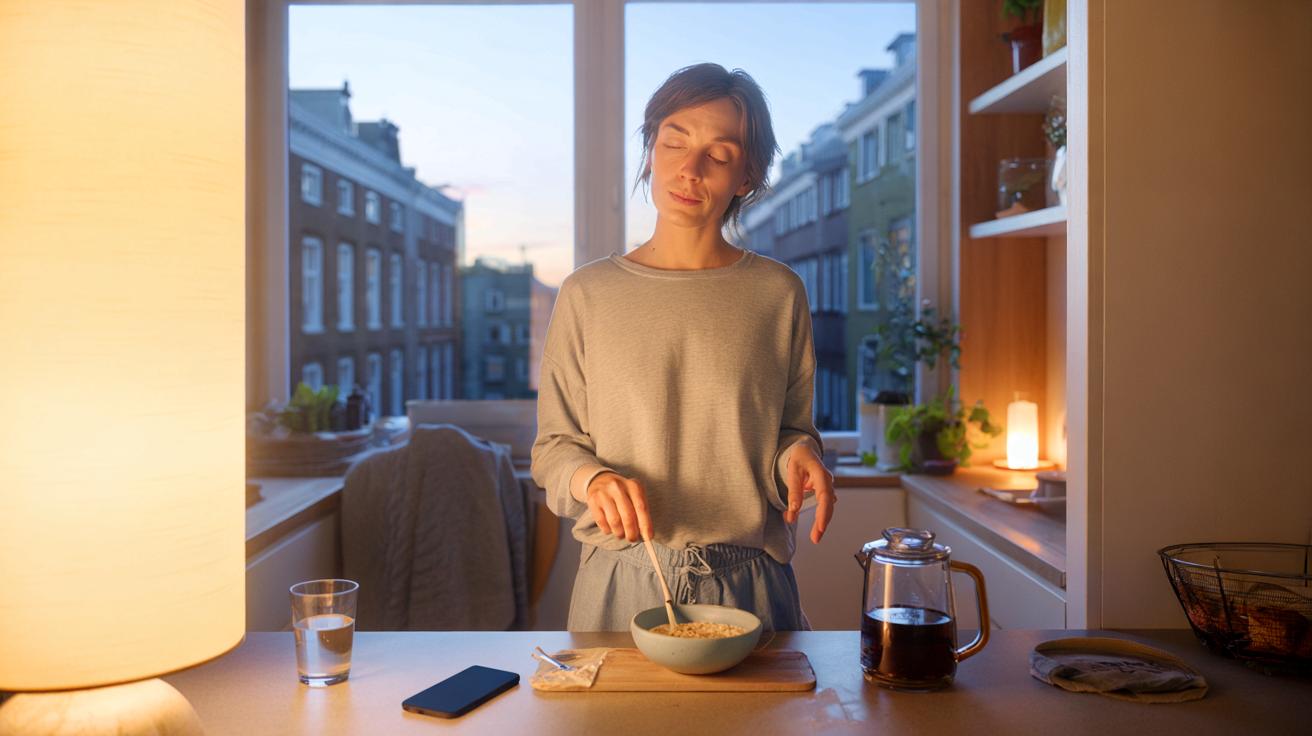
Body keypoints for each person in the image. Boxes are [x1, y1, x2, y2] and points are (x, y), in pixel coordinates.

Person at [530, 63, 835, 632]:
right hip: (621, 581)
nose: (689, 169)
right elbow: (553, 449)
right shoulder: (587, 293)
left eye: (718, 155)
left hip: (753, 588)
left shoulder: (777, 293)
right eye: (673, 141)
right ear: (650, 151)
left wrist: (798, 457)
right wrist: (590, 480)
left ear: (746, 177)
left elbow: (790, 431)